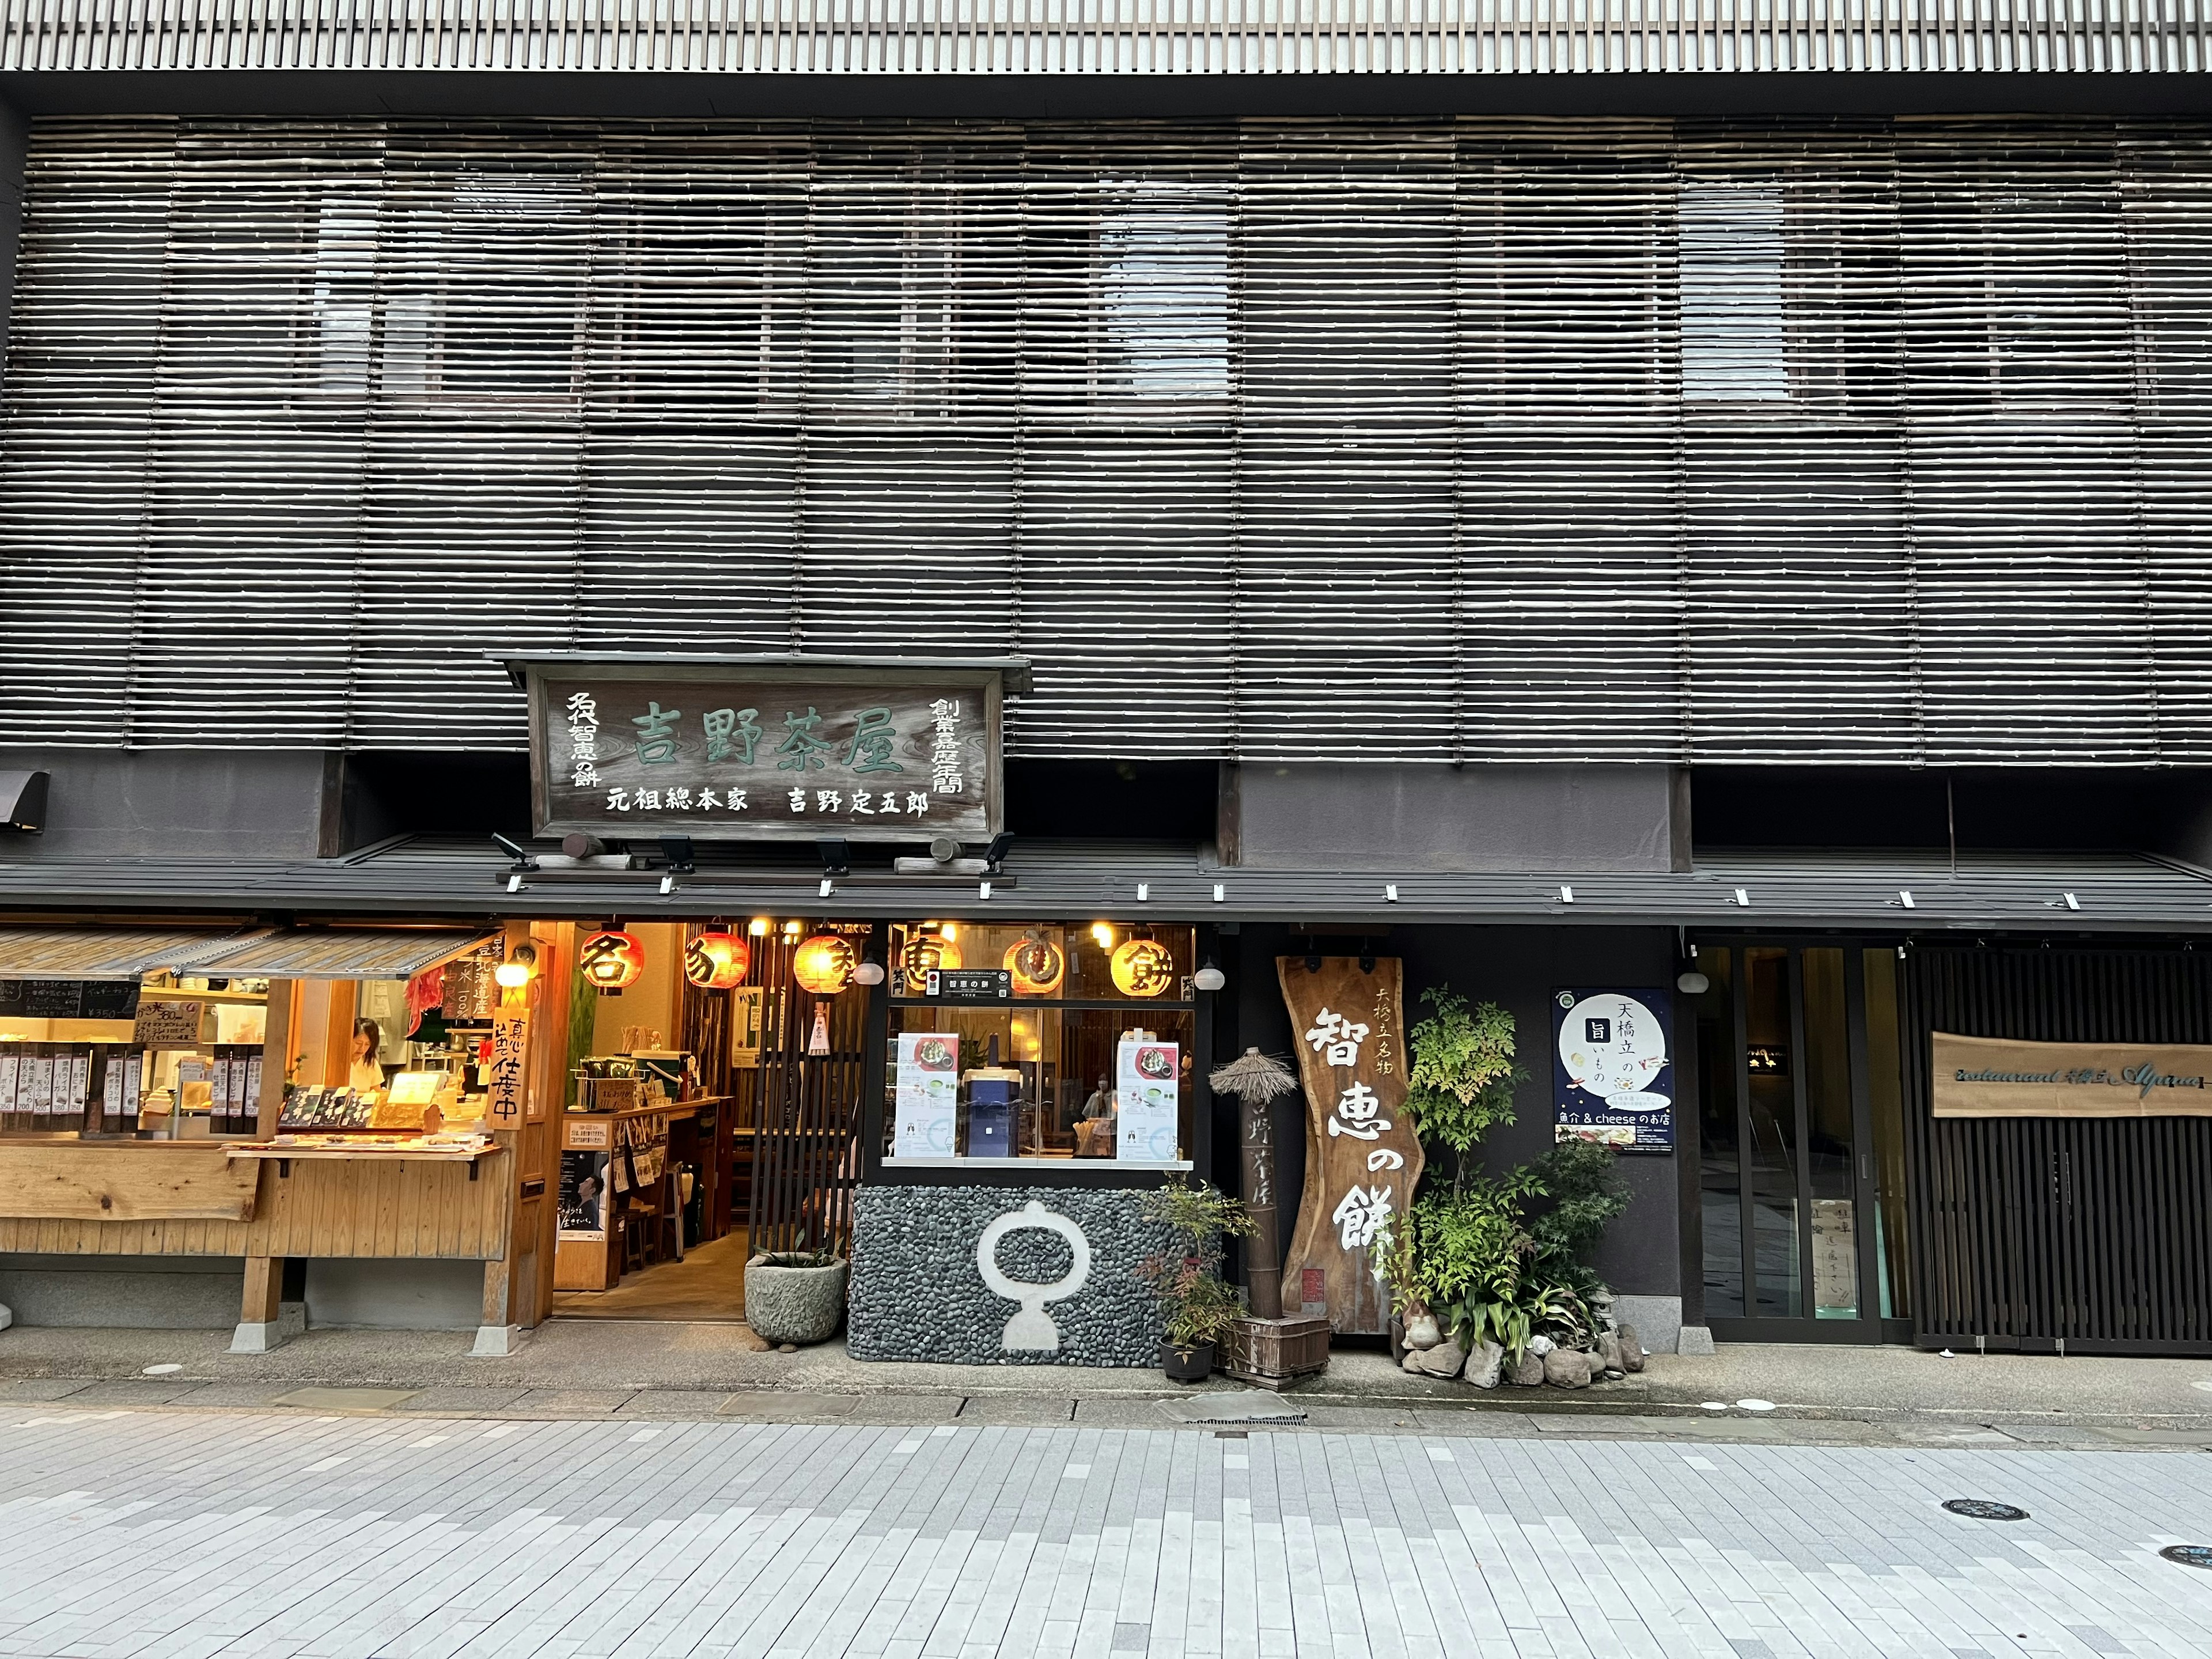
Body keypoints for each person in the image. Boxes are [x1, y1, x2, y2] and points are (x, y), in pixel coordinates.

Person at [348, 1018, 385, 1093]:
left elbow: (376, 1092)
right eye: (358, 1043)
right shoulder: (337, 1063)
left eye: (367, 1044)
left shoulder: (371, 1063)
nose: (362, 1048)